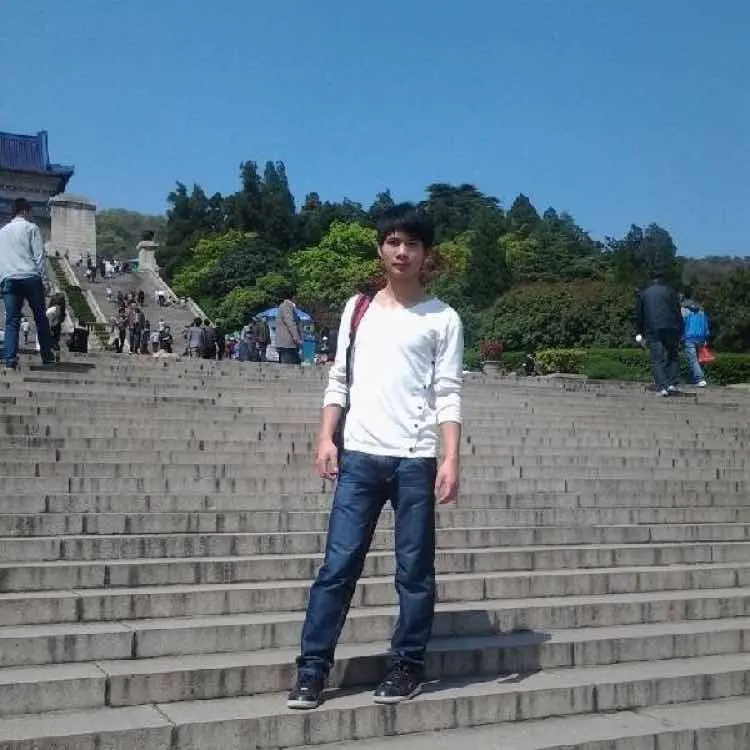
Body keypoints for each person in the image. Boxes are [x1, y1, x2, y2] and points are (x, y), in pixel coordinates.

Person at [288, 204, 464, 710]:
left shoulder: (443, 318)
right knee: (337, 566)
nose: (402, 251)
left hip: (415, 458)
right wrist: (326, 437)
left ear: (426, 253)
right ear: (380, 248)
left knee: (414, 571)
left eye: (412, 243)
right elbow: (339, 378)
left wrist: (450, 457)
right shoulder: (358, 308)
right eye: (393, 242)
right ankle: (312, 669)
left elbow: (448, 392)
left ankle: (407, 664)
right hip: (360, 456)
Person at [0, 198, 55, 369]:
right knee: (40, 318)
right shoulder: (32, 228)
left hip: (10, 279)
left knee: (11, 321)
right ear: (25, 211)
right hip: (30, 277)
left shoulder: (2, 232)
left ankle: (10, 359)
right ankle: (47, 356)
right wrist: (45, 280)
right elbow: (39, 257)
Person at [635, 270, 683, 397]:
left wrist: (639, 332)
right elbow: (677, 311)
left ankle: (662, 387)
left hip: (653, 328)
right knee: (673, 354)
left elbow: (639, 315)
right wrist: (680, 329)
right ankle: (672, 383)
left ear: (651, 279)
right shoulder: (670, 291)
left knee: (657, 358)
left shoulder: (644, 293)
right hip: (671, 327)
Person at [681, 291, 710, 388]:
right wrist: (705, 337)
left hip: (689, 337)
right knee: (696, 359)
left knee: (692, 359)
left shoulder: (684, 309)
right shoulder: (701, 310)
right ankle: (693, 379)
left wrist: (680, 335)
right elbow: (705, 324)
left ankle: (700, 379)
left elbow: (681, 323)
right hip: (700, 337)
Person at [276, 288, 302, 364]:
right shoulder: (286, 306)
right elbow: (290, 323)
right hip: (287, 344)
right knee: (289, 367)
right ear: (293, 297)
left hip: (288, 344)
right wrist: (297, 338)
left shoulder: (286, 306)